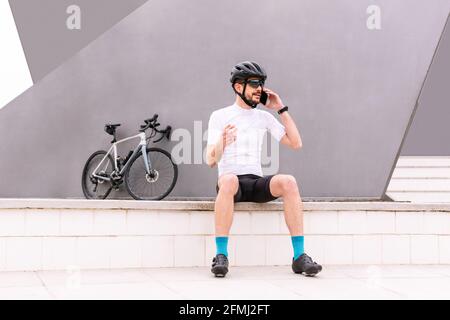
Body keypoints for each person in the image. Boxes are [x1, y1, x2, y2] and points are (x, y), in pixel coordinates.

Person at [206, 61, 322, 278]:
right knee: (229, 179)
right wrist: (223, 142)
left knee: (289, 182)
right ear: (238, 87)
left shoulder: (264, 117)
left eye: (261, 84)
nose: (259, 88)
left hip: (255, 181)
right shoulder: (220, 116)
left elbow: (296, 143)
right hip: (230, 184)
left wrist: (281, 108)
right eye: (254, 84)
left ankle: (299, 257)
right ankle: (221, 255)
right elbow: (210, 160)